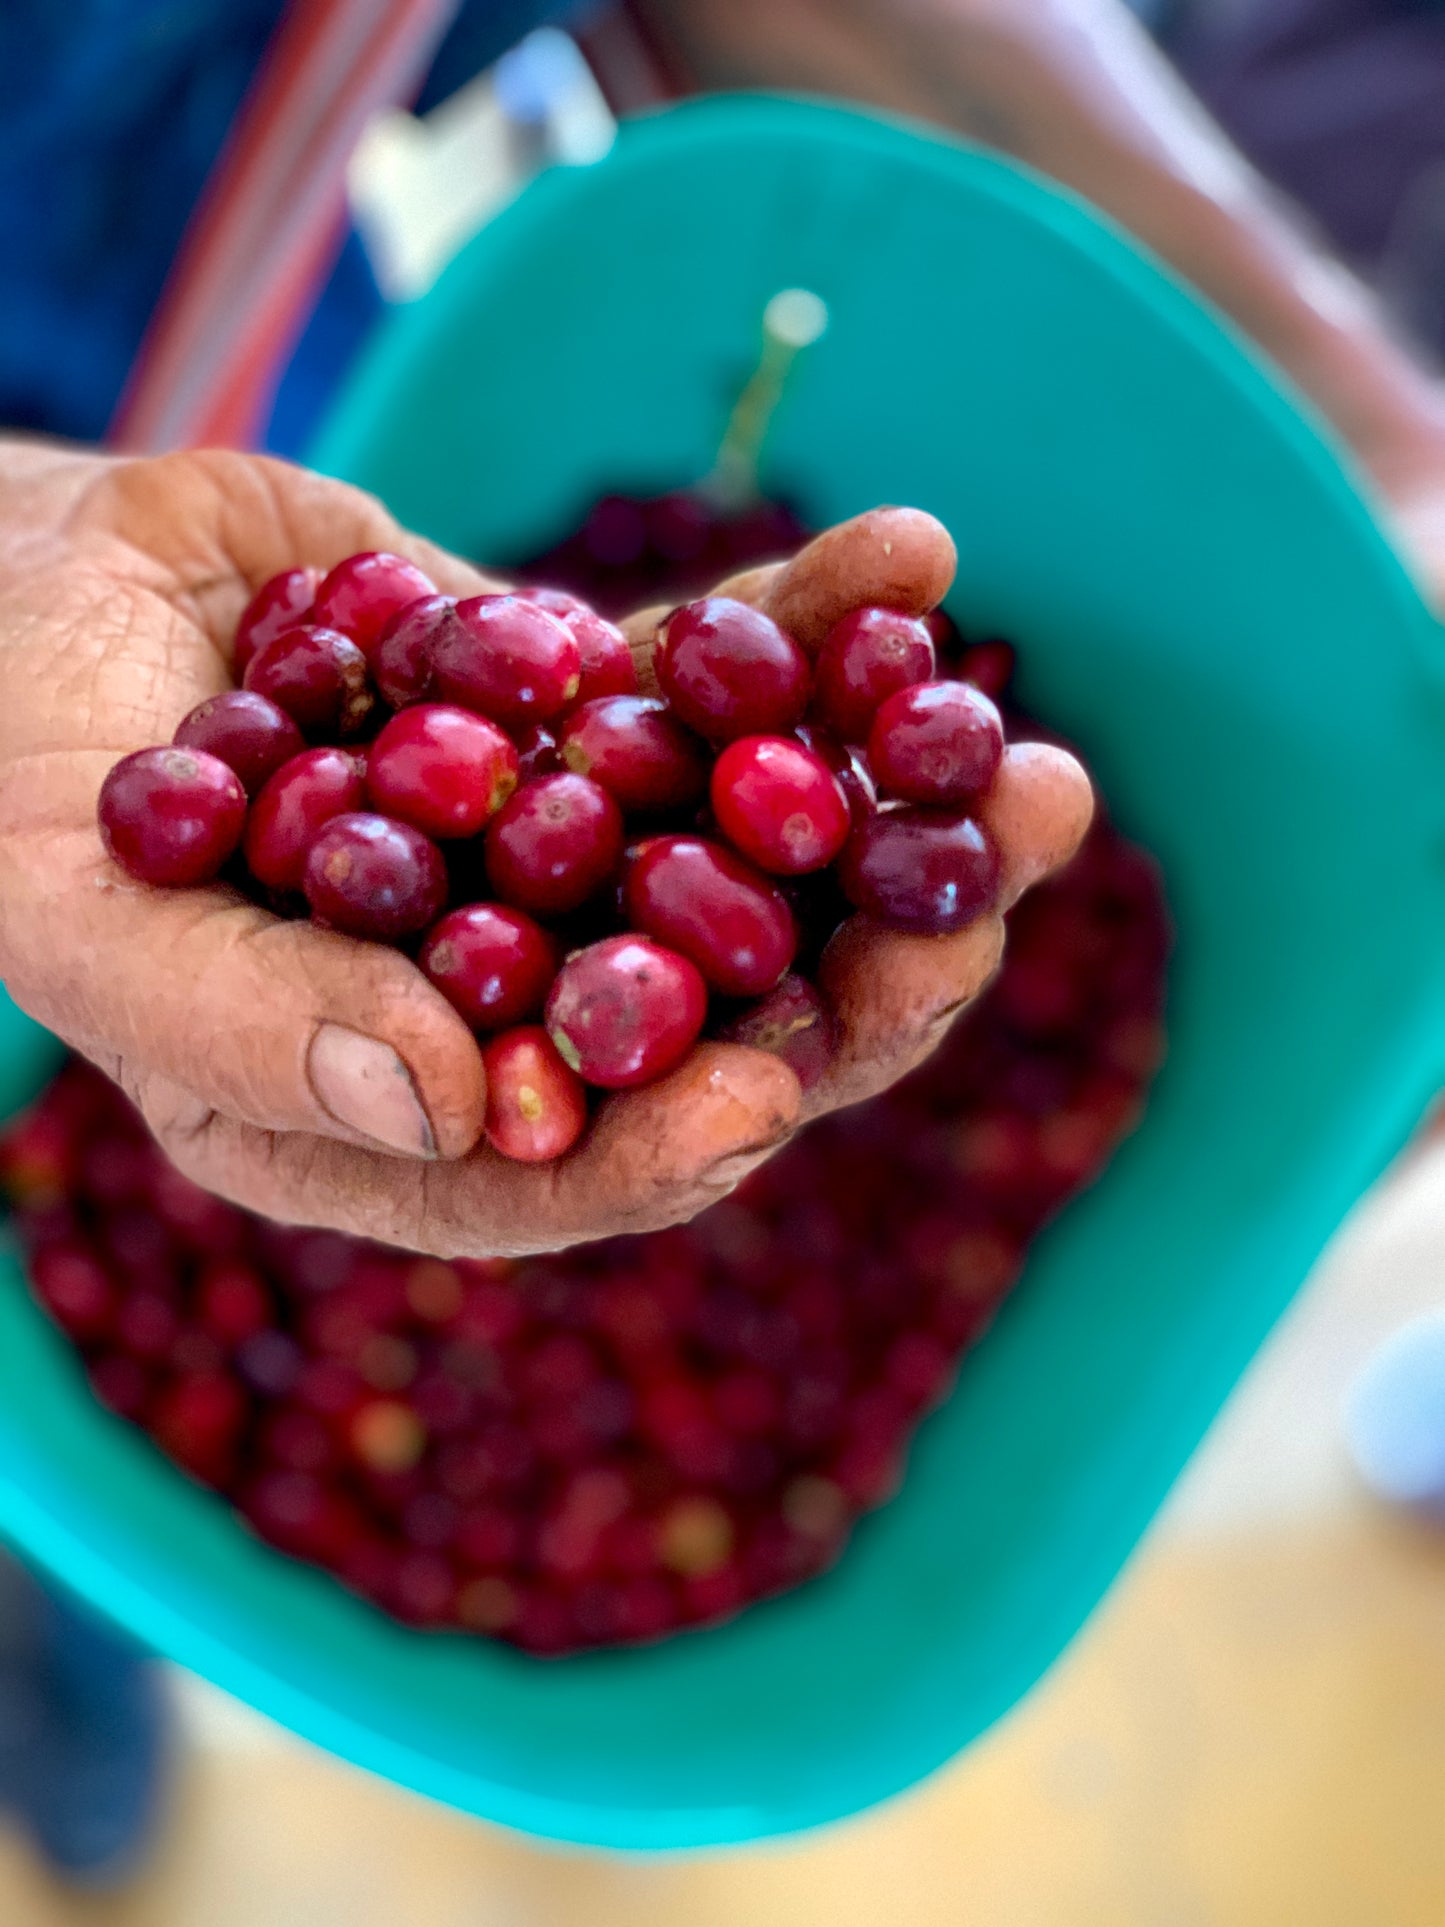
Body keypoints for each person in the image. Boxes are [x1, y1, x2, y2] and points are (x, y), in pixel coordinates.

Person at [0, 0, 1437, 1887]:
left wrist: (1367, 432)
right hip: (70, 559)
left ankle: (63, 1634)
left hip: (213, 387)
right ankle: (43, 1641)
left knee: (194, 1009)